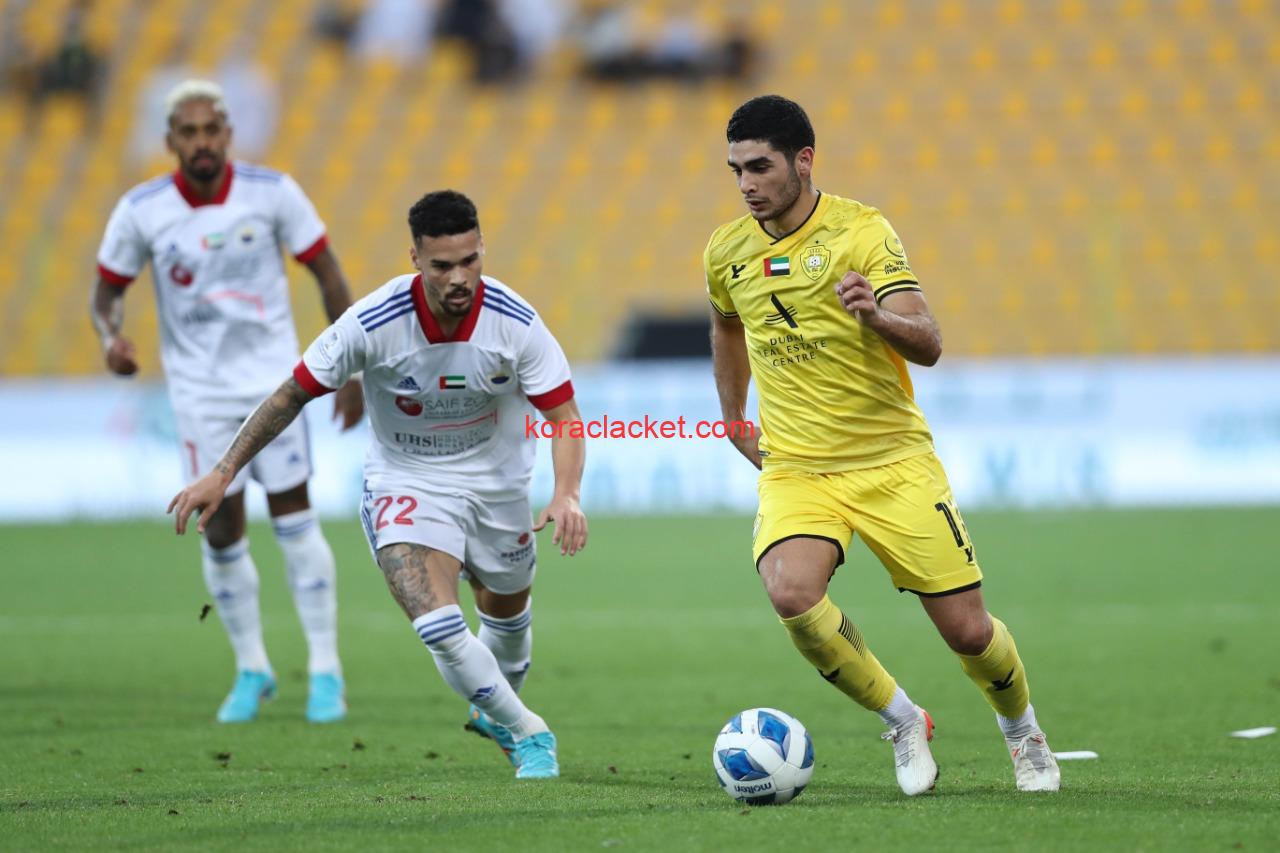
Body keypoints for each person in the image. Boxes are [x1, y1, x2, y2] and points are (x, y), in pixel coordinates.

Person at [705, 95, 1060, 795]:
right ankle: (902, 719)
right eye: (735, 169)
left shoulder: (862, 232)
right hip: (800, 466)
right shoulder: (726, 250)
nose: (746, 183)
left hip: (892, 462)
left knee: (967, 631)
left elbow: (927, 341)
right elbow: (726, 325)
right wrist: (732, 414)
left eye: (760, 166)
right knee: (790, 591)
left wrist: (875, 317)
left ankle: (1023, 732)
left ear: (803, 161)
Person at [168, 190, 587, 780]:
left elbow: (566, 418)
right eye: (442, 265)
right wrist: (224, 470)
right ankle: (528, 731)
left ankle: (495, 709)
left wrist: (566, 492)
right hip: (406, 481)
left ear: (482, 249)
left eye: (469, 260)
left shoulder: (515, 324)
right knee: (439, 625)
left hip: (498, 486)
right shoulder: (373, 322)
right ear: (414, 258)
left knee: (509, 625)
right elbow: (292, 395)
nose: (459, 277)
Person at [90, 79, 363, 725]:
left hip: (277, 386)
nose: (202, 142)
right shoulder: (143, 209)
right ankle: (253, 668)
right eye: (188, 133)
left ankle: (326, 670)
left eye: (212, 129)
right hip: (199, 396)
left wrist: (347, 368)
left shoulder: (273, 193)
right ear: (170, 142)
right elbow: (105, 292)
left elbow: (328, 273)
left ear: (228, 134)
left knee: (296, 519)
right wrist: (111, 339)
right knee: (222, 529)